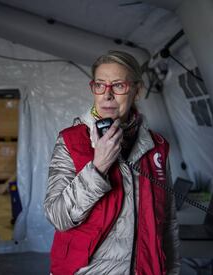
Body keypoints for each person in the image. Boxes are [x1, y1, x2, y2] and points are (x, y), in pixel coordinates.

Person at [44, 51, 180, 275]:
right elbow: (58, 217)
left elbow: (168, 223)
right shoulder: (71, 140)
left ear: (137, 90)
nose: (107, 95)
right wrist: (97, 169)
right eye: (99, 85)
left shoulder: (157, 146)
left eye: (118, 85)